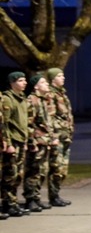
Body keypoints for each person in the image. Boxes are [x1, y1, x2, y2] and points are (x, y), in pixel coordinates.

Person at [23, 74, 53, 212]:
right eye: (43, 82)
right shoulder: (32, 100)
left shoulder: (43, 100)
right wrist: (31, 141)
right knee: (33, 171)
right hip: (36, 142)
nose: (47, 84)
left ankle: (36, 197)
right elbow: (28, 123)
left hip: (44, 141)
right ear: (36, 86)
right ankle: (30, 199)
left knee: (41, 171)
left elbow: (46, 123)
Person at [45, 68, 74, 207]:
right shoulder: (50, 95)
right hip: (58, 136)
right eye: (59, 76)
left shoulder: (62, 94)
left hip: (65, 136)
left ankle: (57, 194)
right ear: (52, 78)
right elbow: (50, 117)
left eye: (63, 75)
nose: (63, 78)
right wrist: (53, 136)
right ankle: (53, 196)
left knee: (63, 169)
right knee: (56, 167)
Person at [0, 72, 28, 217]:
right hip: (13, 141)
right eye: (21, 80)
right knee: (10, 174)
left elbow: (25, 123)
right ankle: (7, 203)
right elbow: (4, 123)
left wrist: (27, 140)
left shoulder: (22, 99)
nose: (25, 83)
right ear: (12, 83)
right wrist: (8, 142)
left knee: (18, 175)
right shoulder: (7, 99)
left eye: (25, 80)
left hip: (21, 141)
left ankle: (13, 202)